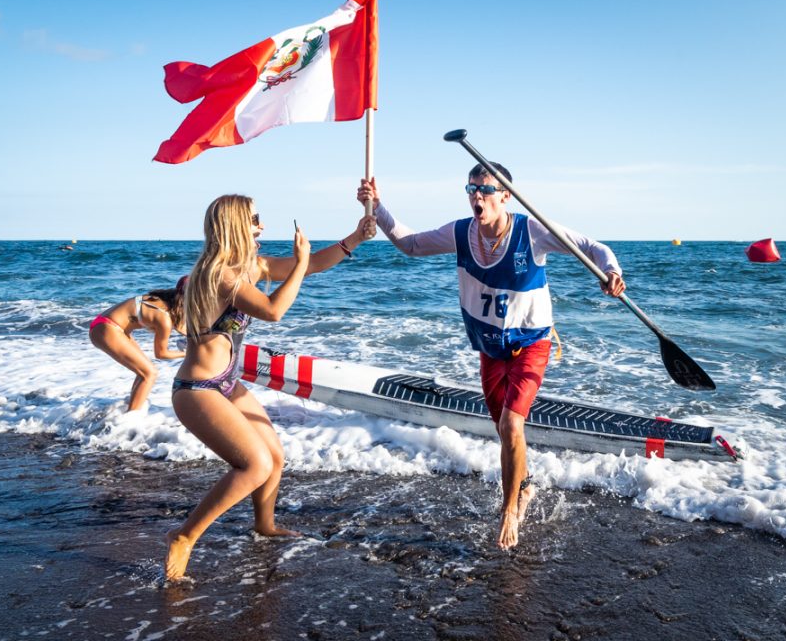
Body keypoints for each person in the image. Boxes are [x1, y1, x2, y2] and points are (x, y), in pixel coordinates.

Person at [357, 164, 625, 550]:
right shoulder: (461, 232)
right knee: (503, 428)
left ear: (506, 196)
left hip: (531, 343)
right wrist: (377, 207)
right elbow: (411, 244)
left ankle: (509, 511)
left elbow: (592, 248)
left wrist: (610, 272)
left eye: (486, 190)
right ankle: (526, 485)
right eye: (472, 189)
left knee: (512, 425)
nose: (477, 196)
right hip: (489, 347)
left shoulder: (532, 231)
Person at [165, 194, 375, 581]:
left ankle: (264, 524)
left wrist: (353, 241)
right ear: (234, 225)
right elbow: (275, 310)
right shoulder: (222, 277)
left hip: (226, 383)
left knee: (275, 456)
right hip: (197, 389)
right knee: (255, 464)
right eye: (255, 218)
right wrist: (298, 263)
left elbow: (306, 266)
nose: (261, 224)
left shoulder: (248, 267)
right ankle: (184, 535)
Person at [89, 278, 188, 412]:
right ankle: (130, 419)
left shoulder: (160, 300)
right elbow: (161, 354)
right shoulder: (164, 318)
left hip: (105, 325)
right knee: (149, 373)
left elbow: (182, 327)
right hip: (107, 329)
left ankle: (130, 410)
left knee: (143, 372)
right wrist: (187, 354)